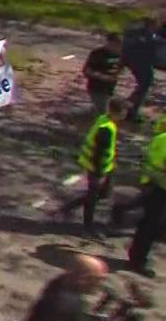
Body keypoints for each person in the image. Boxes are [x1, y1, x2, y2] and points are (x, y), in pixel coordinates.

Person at [57, 99, 123, 236]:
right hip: (97, 168)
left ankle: (69, 207)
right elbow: (98, 153)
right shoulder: (106, 129)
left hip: (107, 166)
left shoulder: (105, 120)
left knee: (104, 193)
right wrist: (99, 172)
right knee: (93, 196)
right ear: (117, 112)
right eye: (124, 112)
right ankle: (88, 226)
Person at [118, 116, 166, 277]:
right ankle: (137, 261)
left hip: (152, 183)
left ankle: (138, 256)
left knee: (151, 223)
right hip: (159, 187)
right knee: (149, 226)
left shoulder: (161, 137)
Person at [121, 17, 159, 123]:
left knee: (144, 86)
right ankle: (129, 107)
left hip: (137, 63)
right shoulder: (146, 36)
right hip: (141, 63)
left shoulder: (136, 34)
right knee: (144, 85)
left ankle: (130, 108)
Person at [82, 32, 122, 116]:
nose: (117, 47)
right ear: (109, 42)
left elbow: (120, 67)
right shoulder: (97, 54)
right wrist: (102, 76)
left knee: (117, 108)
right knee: (103, 114)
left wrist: (117, 74)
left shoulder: (120, 54)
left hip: (110, 89)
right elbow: (86, 71)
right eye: (115, 44)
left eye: (119, 44)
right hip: (96, 88)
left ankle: (90, 113)